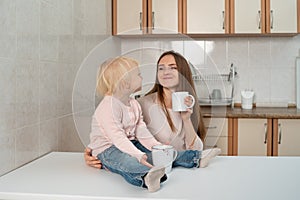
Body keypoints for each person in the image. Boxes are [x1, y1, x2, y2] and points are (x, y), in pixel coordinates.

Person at [86, 52, 221, 171]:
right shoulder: (141, 103)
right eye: (161, 68)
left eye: (173, 68)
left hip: (180, 170)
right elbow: (113, 133)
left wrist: (186, 120)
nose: (165, 72)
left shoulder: (188, 104)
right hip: (156, 167)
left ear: (183, 73)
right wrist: (91, 153)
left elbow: (197, 148)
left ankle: (192, 160)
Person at [88, 56, 166, 192]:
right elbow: (117, 137)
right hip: (108, 149)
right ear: (125, 83)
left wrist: (157, 146)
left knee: (156, 154)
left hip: (128, 143)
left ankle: (193, 157)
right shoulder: (108, 106)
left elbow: (140, 129)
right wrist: (137, 155)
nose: (142, 78)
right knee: (127, 161)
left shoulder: (133, 103)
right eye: (138, 75)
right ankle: (146, 176)